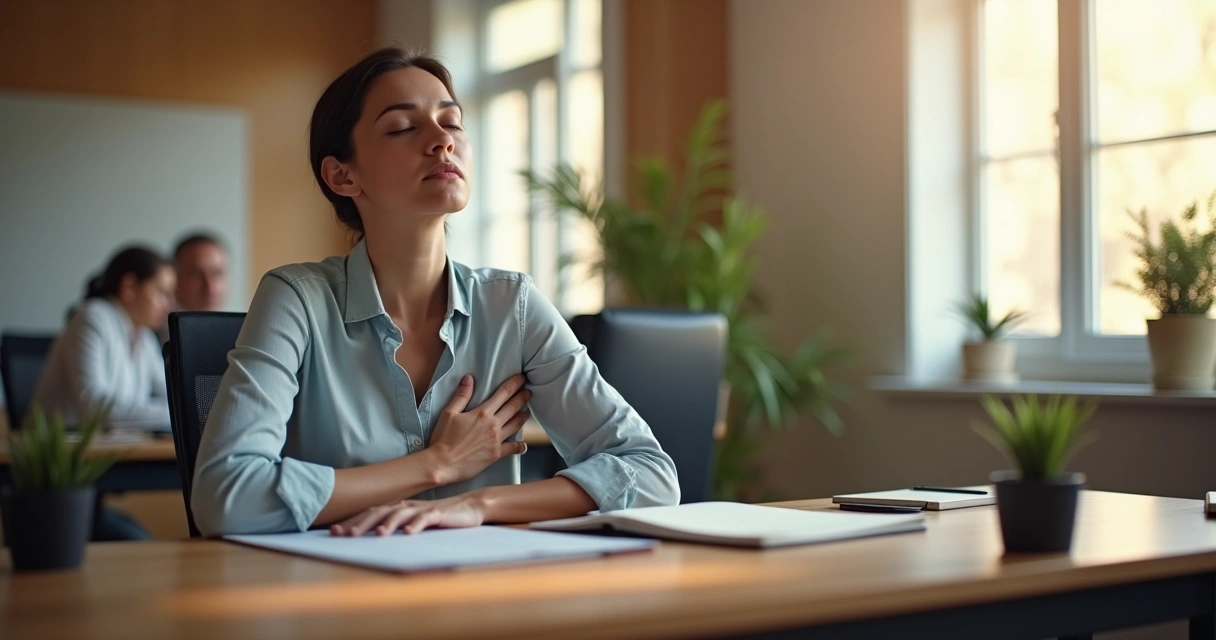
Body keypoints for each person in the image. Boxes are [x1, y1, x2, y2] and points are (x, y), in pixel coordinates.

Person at [191, 47, 679, 537]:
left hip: (481, 598)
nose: (442, 140)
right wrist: (438, 463)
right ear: (343, 175)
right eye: (404, 127)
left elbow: (652, 474)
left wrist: (479, 503)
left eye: (452, 122)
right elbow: (225, 495)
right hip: (335, 597)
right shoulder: (295, 298)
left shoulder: (512, 306)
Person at [32, 245, 175, 541]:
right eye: (161, 292)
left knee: (141, 541)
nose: (168, 303)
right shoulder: (92, 318)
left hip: (98, 464)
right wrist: (175, 414)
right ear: (129, 286)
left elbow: (170, 394)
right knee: (139, 544)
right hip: (57, 476)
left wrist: (180, 409)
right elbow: (96, 406)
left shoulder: (144, 337)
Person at [173, 233, 229, 312]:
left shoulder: (244, 323)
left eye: (217, 273)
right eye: (196, 274)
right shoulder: (155, 323)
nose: (209, 286)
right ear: (174, 277)